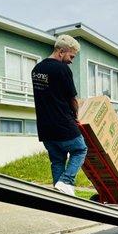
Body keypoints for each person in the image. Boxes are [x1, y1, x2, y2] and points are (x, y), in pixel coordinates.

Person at [32, 35, 87, 196]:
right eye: (71, 56)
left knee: (57, 160)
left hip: (45, 129)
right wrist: (76, 116)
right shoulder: (62, 69)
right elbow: (72, 99)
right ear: (61, 51)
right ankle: (67, 181)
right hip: (63, 124)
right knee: (80, 149)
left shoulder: (36, 70)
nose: (71, 61)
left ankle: (60, 196)